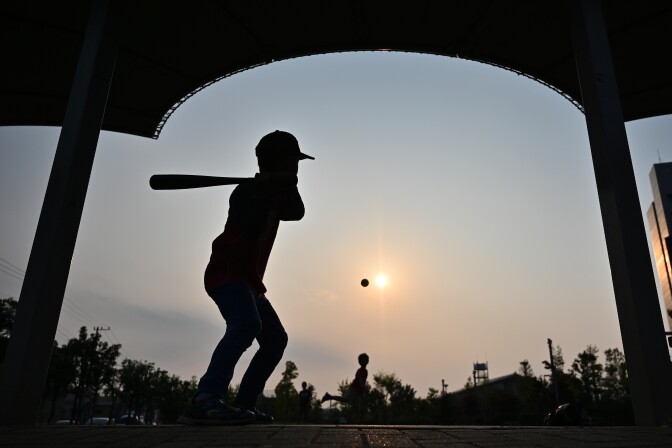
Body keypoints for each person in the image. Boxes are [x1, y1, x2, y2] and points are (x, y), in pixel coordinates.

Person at [178, 130, 314, 426]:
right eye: (295, 162)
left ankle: (244, 404)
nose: (298, 168)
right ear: (285, 162)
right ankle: (206, 399)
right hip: (227, 273)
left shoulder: (277, 193)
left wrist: (284, 186)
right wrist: (265, 192)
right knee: (247, 324)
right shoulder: (245, 192)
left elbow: (297, 212)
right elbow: (250, 230)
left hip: (250, 283)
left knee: (275, 338)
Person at [321, 353, 369, 421]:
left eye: (367, 360)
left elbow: (362, 382)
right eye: (364, 360)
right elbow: (361, 381)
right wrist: (364, 388)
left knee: (359, 408)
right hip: (354, 389)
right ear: (360, 362)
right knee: (347, 400)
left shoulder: (365, 371)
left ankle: (359, 424)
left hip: (359, 391)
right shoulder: (360, 370)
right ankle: (329, 396)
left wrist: (362, 390)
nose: (366, 361)